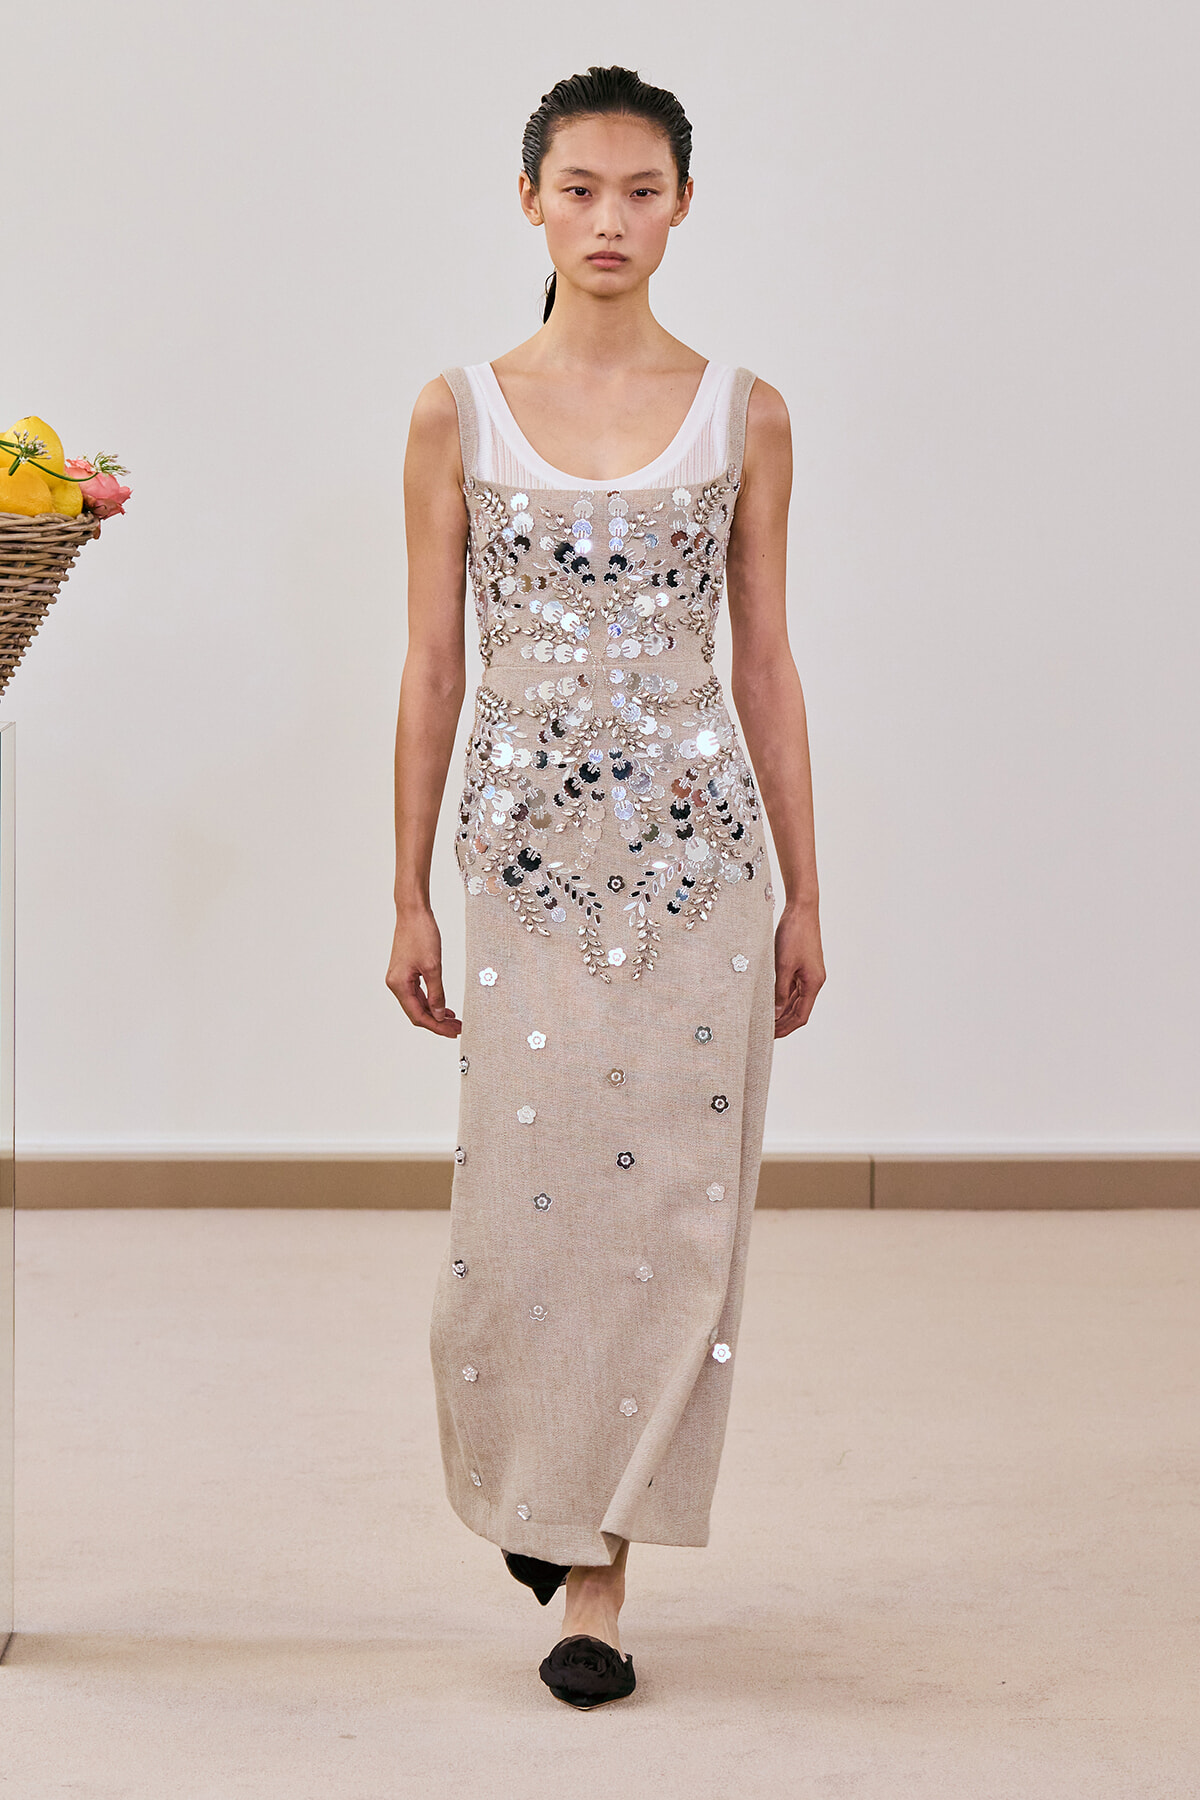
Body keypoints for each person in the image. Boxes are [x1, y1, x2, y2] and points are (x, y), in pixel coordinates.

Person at [388, 64, 824, 1708]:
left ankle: (598, 1576)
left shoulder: (746, 412)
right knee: (524, 1207)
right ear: (530, 203)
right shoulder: (456, 409)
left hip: (701, 863)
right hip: (521, 867)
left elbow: (766, 664)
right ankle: (542, 1476)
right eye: (579, 189)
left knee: (667, 1215)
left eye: (642, 190)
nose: (610, 221)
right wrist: (411, 890)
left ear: (684, 205)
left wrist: (804, 887)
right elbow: (432, 666)